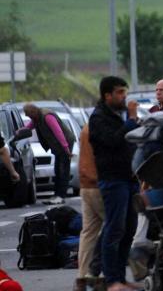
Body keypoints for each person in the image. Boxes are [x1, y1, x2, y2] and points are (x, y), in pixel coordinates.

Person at [88, 76, 140, 291]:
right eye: (119, 92)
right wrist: (130, 120)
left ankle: (120, 276)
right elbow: (112, 141)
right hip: (113, 180)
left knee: (129, 229)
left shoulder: (115, 115)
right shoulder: (99, 117)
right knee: (114, 229)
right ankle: (111, 281)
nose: (123, 96)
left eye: (124, 92)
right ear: (107, 95)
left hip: (128, 179)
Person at [21, 103, 74, 205]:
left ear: (33, 112)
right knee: (57, 169)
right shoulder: (37, 118)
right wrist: (18, 132)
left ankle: (60, 196)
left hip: (64, 143)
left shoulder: (47, 116)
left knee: (62, 170)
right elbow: (29, 127)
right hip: (58, 146)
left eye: (29, 115)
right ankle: (57, 195)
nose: (29, 117)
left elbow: (58, 132)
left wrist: (66, 149)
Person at [76, 123, 105, 284]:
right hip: (99, 183)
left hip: (86, 184)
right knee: (114, 227)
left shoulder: (87, 127)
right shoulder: (102, 127)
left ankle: (83, 275)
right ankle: (102, 273)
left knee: (88, 231)